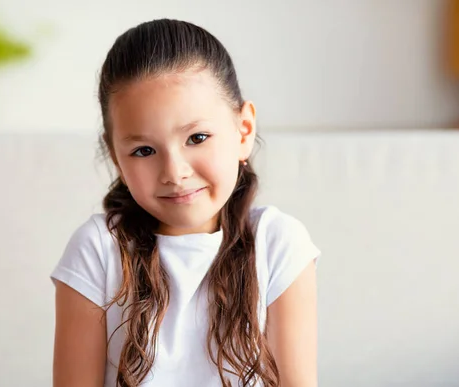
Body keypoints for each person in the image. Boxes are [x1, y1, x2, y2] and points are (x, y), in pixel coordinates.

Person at [50, 18, 321, 387]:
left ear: (243, 131)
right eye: (144, 150)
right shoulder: (98, 250)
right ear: (116, 157)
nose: (174, 172)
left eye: (197, 137)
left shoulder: (278, 244)